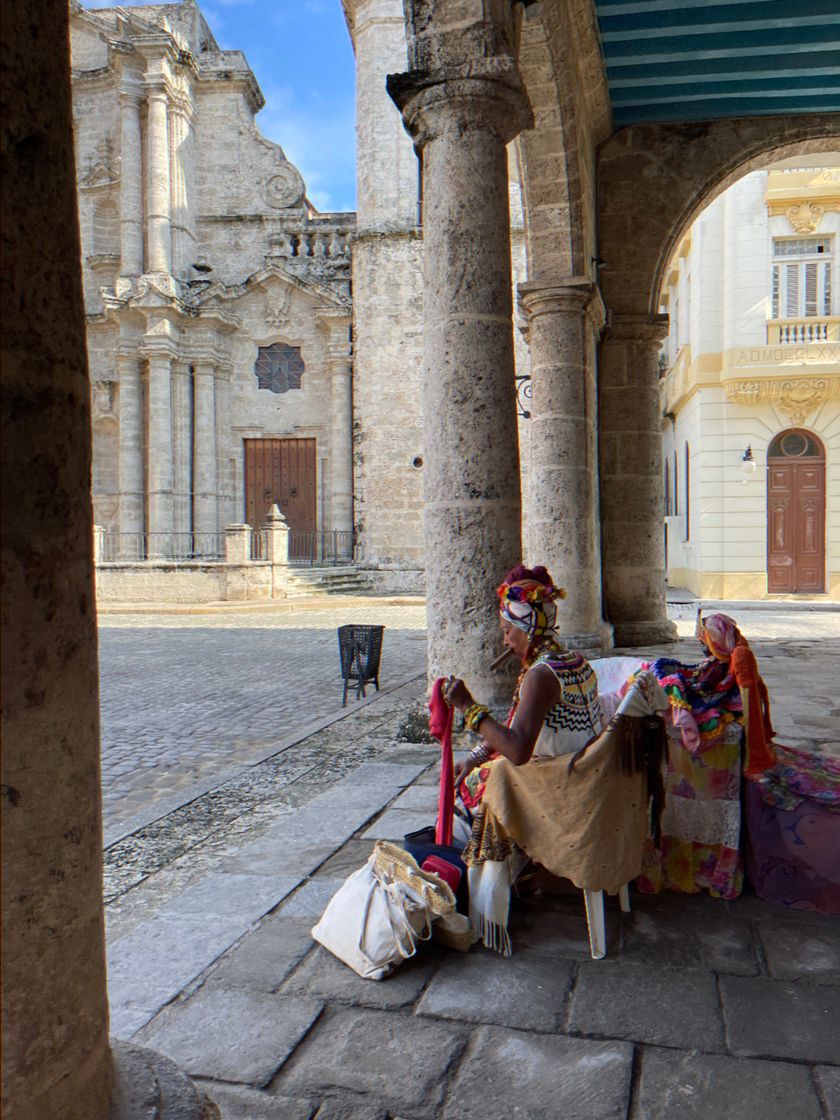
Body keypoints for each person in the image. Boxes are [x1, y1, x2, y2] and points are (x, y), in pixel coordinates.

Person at [638, 611, 775, 900]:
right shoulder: (719, 661)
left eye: (706, 641)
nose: (703, 647)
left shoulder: (725, 665)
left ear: (717, 642)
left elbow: (707, 689)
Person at [445, 565, 603, 811]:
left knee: (471, 790)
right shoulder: (573, 659)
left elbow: (518, 750)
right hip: (582, 769)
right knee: (482, 771)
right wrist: (475, 756)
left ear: (527, 629)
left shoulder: (541, 674)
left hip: (560, 781)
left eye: (507, 631)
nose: (505, 641)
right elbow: (520, 726)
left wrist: (468, 706)